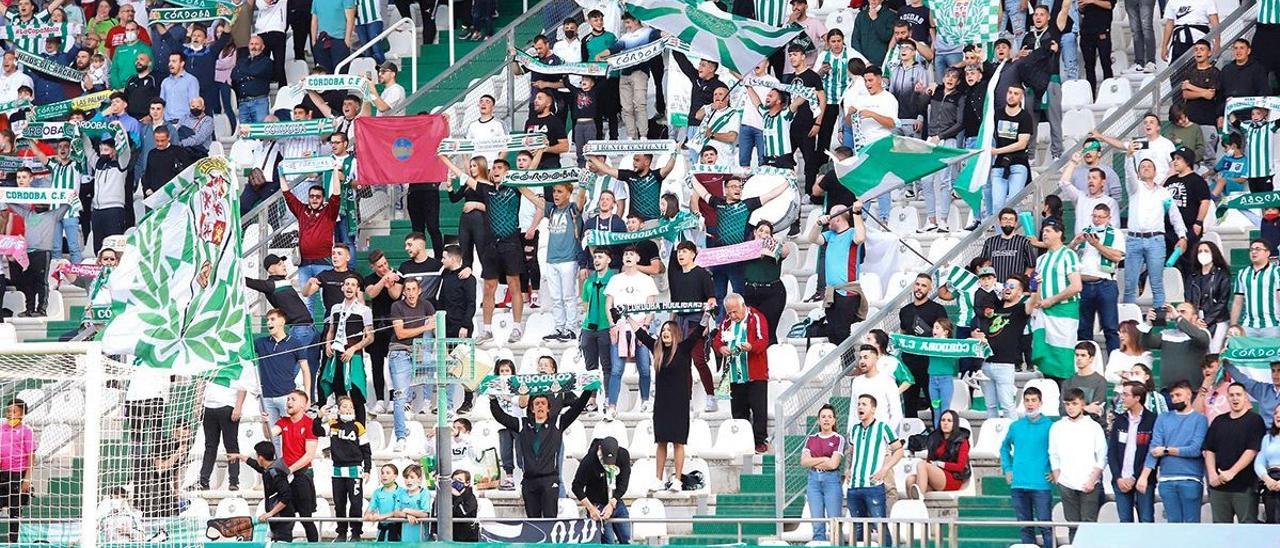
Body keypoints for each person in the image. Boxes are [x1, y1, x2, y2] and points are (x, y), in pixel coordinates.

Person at [490, 386, 594, 518]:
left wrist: (589, 389)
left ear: (548, 408)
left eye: (543, 403)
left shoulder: (557, 422)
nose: (540, 406)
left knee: (550, 520)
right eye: (537, 403)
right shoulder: (523, 424)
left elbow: (577, 407)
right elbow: (501, 417)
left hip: (549, 480)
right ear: (532, 408)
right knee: (534, 524)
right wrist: (493, 399)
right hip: (529, 481)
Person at [632, 313, 705, 490]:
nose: (665, 332)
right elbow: (640, 334)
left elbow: (699, 331)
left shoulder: (684, 348)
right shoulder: (656, 348)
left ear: (675, 333)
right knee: (661, 441)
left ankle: (678, 480)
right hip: (662, 404)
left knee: (679, 442)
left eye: (668, 330)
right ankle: (658, 479)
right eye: (663, 329)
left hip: (679, 403)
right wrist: (626, 316)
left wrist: (708, 314)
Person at [518, 183, 585, 342]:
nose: (555, 194)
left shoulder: (573, 209)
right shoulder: (551, 209)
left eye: (560, 191)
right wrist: (519, 183)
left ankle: (570, 328)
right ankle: (559, 327)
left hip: (569, 259)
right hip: (552, 259)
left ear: (569, 194)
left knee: (568, 296)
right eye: (554, 191)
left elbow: (581, 198)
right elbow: (533, 198)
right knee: (556, 297)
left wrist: (582, 185)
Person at [1121, 152, 1188, 309]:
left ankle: (1158, 318)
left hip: (1156, 240)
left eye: (1149, 166)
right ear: (1138, 172)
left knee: (1157, 283)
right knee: (1130, 284)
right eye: (1142, 166)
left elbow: (1175, 216)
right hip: (1134, 239)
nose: (1145, 168)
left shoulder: (1164, 193)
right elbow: (1129, 175)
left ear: (1155, 171)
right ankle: (1128, 322)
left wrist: (1182, 235)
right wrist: (1129, 157)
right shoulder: (1135, 188)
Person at [1136, 381, 1208, 523]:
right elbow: (1154, 448)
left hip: (1191, 479)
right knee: (1172, 526)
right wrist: (1144, 476)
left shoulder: (1200, 419)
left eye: (1178, 395)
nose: (1175, 399)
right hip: (1166, 480)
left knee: (1191, 525)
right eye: (1172, 396)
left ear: (1188, 395)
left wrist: (1167, 450)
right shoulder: (1163, 418)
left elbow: (1195, 450)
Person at [712, 294, 771, 453]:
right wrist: (721, 348)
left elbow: (763, 340)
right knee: (738, 410)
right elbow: (718, 340)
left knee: (758, 409)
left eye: (735, 312)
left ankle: (759, 441)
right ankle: (743, 440)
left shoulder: (756, 318)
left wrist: (751, 347)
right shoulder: (726, 322)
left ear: (743, 306)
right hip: (733, 373)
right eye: (729, 312)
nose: (732, 315)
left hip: (755, 373)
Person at [843, 394, 903, 545]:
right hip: (854, 487)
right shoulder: (854, 430)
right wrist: (847, 469)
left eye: (864, 404)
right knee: (857, 529)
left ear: (873, 409)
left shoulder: (883, 427)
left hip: (873, 486)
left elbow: (899, 450)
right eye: (858, 404)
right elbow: (851, 451)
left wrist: (885, 468)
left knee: (880, 527)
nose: (860, 407)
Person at [1202, 382, 1266, 523]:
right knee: (1221, 530)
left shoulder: (1255, 420)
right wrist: (1212, 474)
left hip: (1244, 487)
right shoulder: (1219, 421)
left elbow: (1252, 450)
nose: (1235, 398)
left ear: (1245, 398)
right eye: (1231, 395)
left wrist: (1231, 472)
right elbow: (1209, 449)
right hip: (1219, 487)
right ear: (1227, 398)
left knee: (1247, 527)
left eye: (1238, 395)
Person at [1049, 388, 1107, 541]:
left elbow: (1102, 457)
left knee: (1088, 525)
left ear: (1082, 404)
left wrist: (1092, 479)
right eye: (1067, 404)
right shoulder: (1057, 427)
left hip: (1089, 483)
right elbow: (1053, 454)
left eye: (1074, 403)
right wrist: (1058, 477)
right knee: (1072, 525)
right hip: (1066, 482)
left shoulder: (1093, 427)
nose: (1070, 407)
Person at [972, 275, 1033, 418]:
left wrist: (1037, 288)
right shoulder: (994, 306)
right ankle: (994, 437)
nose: (1007, 288)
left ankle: (1015, 439)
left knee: (1007, 405)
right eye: (1006, 285)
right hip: (986, 362)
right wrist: (975, 333)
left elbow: (1034, 302)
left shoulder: (1020, 309)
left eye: (1012, 286)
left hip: (1005, 364)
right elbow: (979, 322)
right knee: (990, 406)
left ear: (1020, 292)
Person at [262, 390, 319, 542]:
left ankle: (314, 545)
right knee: (287, 516)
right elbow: (269, 434)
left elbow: (309, 455)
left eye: (293, 399)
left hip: (302, 475)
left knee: (306, 517)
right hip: (287, 475)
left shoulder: (310, 423)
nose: (289, 402)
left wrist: (290, 469)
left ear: (303, 403)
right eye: (287, 399)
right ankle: (285, 544)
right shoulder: (283, 421)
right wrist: (265, 422)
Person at [1000, 387, 1054, 547]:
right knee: (1025, 527)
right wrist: (1007, 468)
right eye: (1027, 400)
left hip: (1041, 484)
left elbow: (1059, 450)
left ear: (1040, 402)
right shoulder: (1016, 426)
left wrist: (1054, 469)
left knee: (1046, 526)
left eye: (1034, 400)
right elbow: (1004, 447)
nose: (1030, 404)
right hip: (1019, 483)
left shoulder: (1050, 426)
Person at [806, 203, 868, 342]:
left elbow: (861, 237)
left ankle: (848, 362)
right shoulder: (830, 235)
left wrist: (856, 213)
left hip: (847, 292)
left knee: (842, 332)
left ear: (838, 218)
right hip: (831, 293)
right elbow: (812, 239)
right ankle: (839, 362)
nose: (828, 218)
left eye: (831, 215)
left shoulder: (852, 233)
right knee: (833, 333)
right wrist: (817, 224)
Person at [388, 277, 437, 451]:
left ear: (419, 290)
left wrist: (427, 330)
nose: (410, 293)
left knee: (430, 348)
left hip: (419, 350)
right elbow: (400, 334)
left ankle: (426, 400)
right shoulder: (397, 307)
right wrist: (425, 327)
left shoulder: (427, 305)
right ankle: (400, 437)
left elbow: (434, 328)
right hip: (400, 351)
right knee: (399, 396)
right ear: (403, 292)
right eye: (407, 289)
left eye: (413, 289)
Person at [314, 396, 372, 541]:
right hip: (337, 470)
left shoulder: (358, 426)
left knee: (356, 503)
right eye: (345, 406)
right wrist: (319, 417)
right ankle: (341, 532)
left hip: (354, 469)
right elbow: (317, 431)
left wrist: (367, 469)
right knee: (339, 503)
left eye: (351, 406)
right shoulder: (333, 424)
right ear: (339, 409)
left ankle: (356, 532)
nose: (348, 409)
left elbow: (366, 449)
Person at [321, 274, 374, 426]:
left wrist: (353, 349)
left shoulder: (364, 310)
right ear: (343, 287)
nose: (349, 287)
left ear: (357, 289)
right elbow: (331, 330)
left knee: (356, 394)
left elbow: (370, 337)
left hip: (354, 355)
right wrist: (327, 344)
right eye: (347, 284)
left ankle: (360, 432)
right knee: (339, 395)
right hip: (336, 355)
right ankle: (341, 431)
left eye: (353, 285)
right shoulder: (335, 308)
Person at [1072, 203, 1124, 352]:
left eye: (1101, 217)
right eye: (1094, 216)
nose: (1097, 220)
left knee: (1110, 327)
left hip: (1105, 284)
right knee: (1083, 328)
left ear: (1108, 218)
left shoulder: (1116, 233)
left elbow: (1116, 257)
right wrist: (1075, 242)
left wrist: (1097, 245)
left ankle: (1114, 362)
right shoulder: (1084, 232)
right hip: (1084, 285)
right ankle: (1085, 363)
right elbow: (1067, 255)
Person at [283, 180, 341, 315]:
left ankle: (329, 330)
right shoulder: (302, 210)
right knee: (307, 302)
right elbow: (287, 194)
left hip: (324, 264)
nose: (314, 199)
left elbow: (337, 195)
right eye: (312, 196)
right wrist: (281, 174)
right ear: (308, 197)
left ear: (323, 199)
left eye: (318, 196)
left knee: (327, 300)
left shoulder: (329, 211)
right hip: (304, 265)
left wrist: (334, 169)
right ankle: (309, 334)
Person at [253, 309, 310, 441]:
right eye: (267, 320)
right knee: (273, 438)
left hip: (287, 396)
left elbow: (306, 370)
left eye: (272, 319)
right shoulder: (261, 343)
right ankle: (279, 461)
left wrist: (306, 397)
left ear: (282, 321)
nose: (268, 323)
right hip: (266, 397)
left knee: (291, 435)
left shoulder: (295, 343)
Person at [1109, 381, 1158, 523]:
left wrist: (1135, 477)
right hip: (1120, 480)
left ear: (1137, 398)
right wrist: (1118, 477)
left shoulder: (1152, 420)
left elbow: (1151, 452)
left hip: (1144, 480)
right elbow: (1112, 451)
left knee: (1146, 519)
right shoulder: (1119, 419)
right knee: (1124, 521)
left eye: (1126, 394)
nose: (1122, 398)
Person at [81, 126, 132, 254]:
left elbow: (126, 151)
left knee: (114, 247)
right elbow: (88, 149)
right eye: (101, 149)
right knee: (98, 248)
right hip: (97, 211)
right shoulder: (98, 164)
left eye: (106, 150)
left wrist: (120, 131)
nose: (103, 152)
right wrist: (81, 131)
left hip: (114, 210)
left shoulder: (121, 164)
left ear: (114, 151)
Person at [572, 437, 632, 544]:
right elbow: (576, 486)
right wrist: (590, 508)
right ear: (600, 449)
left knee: (627, 539)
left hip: (616, 500)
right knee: (609, 542)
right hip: (597, 504)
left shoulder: (623, 455)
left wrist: (612, 502)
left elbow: (623, 483)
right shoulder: (589, 460)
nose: (609, 464)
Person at [1141, 303, 1211, 391]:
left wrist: (1178, 318)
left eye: (1183, 312)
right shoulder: (1167, 333)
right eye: (1177, 312)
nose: (1177, 314)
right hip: (1167, 391)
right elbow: (1147, 342)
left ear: (1194, 317)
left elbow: (1201, 339)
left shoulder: (1202, 332)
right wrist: (1148, 324)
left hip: (1192, 391)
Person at [1163, 147, 1211, 277]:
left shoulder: (1197, 180)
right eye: (1174, 159)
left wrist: (1198, 222)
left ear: (1187, 161)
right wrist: (1169, 174)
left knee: (1188, 264)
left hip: (1189, 228)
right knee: (1168, 262)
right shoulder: (1170, 180)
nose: (1175, 162)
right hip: (1169, 229)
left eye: (1178, 159)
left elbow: (1205, 202)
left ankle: (1190, 291)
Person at [987, 85, 1034, 215]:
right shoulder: (997, 113)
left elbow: (1021, 144)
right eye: (1010, 92)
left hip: (1018, 164)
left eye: (1016, 93)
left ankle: (1012, 234)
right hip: (999, 165)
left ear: (1021, 96)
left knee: (1014, 204)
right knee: (997, 205)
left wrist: (997, 151)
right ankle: (999, 234)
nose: (1011, 96)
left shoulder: (1025, 117)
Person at [801, 404, 845, 542]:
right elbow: (803, 462)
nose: (826, 420)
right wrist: (824, 458)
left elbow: (833, 464)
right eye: (823, 417)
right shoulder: (811, 438)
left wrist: (813, 460)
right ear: (818, 420)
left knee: (834, 522)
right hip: (813, 480)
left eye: (829, 417)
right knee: (817, 523)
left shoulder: (838, 438)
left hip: (831, 480)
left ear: (834, 421)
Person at [234, 441, 294, 541]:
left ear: (261, 458)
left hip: (282, 517)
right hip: (276, 517)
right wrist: (238, 456)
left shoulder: (275, 473)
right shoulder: (268, 469)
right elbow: (254, 464)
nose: (256, 458)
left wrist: (270, 513)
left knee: (282, 543)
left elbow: (287, 495)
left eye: (257, 456)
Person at [906, 409, 970, 499]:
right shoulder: (934, 438)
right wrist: (933, 465)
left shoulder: (962, 440)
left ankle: (919, 500)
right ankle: (914, 508)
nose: (945, 423)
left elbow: (960, 466)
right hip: (936, 476)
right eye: (943, 420)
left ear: (954, 423)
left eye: (949, 421)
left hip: (953, 477)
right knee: (910, 480)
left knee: (921, 464)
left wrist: (940, 464)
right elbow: (929, 460)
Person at [197, 374, 246, 491]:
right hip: (208, 406)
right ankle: (204, 480)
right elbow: (202, 381)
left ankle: (233, 480)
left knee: (231, 444)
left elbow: (243, 385)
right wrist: (198, 403)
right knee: (210, 446)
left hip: (228, 405)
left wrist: (238, 406)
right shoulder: (210, 361)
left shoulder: (234, 359)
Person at [1230, 239, 1280, 338]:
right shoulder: (1242, 273)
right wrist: (1233, 326)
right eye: (1251, 249)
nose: (1254, 252)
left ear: (1267, 253)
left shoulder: (1276, 271)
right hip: (1248, 325)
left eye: (1258, 249)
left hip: (1272, 324)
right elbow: (1237, 302)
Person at [0, 400, 32, 542]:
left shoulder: (26, 431)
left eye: (14, 411)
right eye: (8, 411)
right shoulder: (2, 429)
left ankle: (13, 542)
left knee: (15, 511)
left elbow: (31, 455)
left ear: (22, 414)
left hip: (18, 474)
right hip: (3, 473)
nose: (10, 414)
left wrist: (27, 478)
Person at [981, 209, 1037, 282]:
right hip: (995, 286)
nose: (1008, 221)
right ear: (999, 222)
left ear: (1015, 223)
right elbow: (982, 264)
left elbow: (1031, 265)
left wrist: (1022, 281)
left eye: (1011, 219)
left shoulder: (1023, 242)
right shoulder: (990, 242)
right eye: (1005, 219)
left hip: (1014, 287)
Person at [1221, 361, 1280, 428]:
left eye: (1279, 371)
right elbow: (1243, 380)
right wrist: (1224, 361)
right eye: (1273, 371)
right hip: (1264, 435)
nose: (1275, 374)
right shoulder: (1263, 390)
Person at [230, 35, 272, 125]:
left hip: (259, 102)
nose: (254, 47)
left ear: (263, 47)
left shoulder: (266, 61)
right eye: (251, 44)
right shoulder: (242, 61)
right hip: (243, 103)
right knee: (245, 135)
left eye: (257, 44)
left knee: (260, 133)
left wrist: (242, 72)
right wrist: (249, 76)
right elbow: (233, 75)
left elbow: (255, 72)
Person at [1103, 320, 1154, 386]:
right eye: (1120, 332)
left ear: (1133, 333)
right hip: (1121, 392)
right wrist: (1122, 380)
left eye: (1124, 332)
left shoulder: (1147, 355)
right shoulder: (1116, 353)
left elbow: (1144, 376)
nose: (1120, 336)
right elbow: (1108, 375)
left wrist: (1121, 373)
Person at [365, 463, 405, 541]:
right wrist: (369, 515)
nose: (384, 475)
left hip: (397, 530)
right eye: (382, 473)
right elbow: (369, 510)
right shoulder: (377, 492)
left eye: (388, 473)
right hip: (382, 529)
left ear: (395, 476)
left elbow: (397, 512)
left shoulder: (401, 491)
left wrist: (381, 517)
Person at [396, 465, 432, 541]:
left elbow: (425, 513)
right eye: (406, 478)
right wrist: (407, 515)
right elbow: (396, 512)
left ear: (419, 479)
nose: (408, 480)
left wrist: (407, 510)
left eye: (412, 477)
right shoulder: (401, 493)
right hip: (405, 534)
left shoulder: (424, 493)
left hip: (420, 533)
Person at [1257, 407, 1280, 524]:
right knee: (1272, 521)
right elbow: (1259, 462)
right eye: (1276, 413)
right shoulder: (1267, 438)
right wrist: (1267, 479)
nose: (1278, 415)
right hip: (1271, 482)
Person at [450, 469, 481, 541]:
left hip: (468, 537)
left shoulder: (470, 497)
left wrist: (457, 497)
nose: (456, 482)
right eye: (454, 479)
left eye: (459, 479)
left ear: (467, 483)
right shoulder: (448, 496)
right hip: (452, 535)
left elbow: (463, 513)